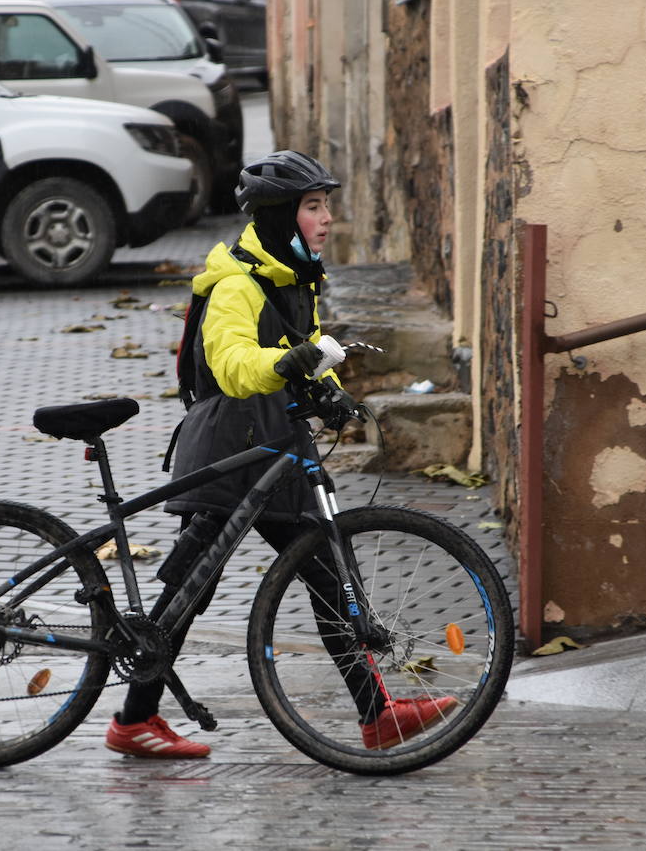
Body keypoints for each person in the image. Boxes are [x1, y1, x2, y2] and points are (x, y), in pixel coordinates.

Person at [104, 150, 457, 759]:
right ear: (279, 217)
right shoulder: (235, 284)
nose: (326, 219)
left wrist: (333, 394)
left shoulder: (296, 280)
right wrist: (287, 363)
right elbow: (234, 364)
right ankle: (135, 719)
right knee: (194, 586)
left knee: (325, 574)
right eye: (313, 207)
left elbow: (305, 352)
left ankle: (378, 715)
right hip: (229, 444)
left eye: (326, 207)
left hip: (276, 445)